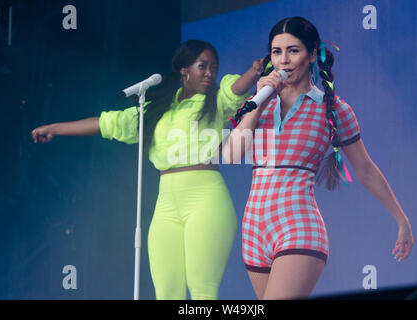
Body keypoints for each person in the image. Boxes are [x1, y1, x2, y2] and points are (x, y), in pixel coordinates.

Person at [31, 39, 263, 300]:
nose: (210, 73)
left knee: (202, 291)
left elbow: (236, 89)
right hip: (166, 206)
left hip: (206, 200)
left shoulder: (217, 101)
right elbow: (106, 122)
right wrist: (54, 128)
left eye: (214, 67)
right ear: (184, 70)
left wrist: (254, 72)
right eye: (203, 66)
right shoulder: (156, 112)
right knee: (166, 293)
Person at [223, 17, 414, 300]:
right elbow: (230, 155)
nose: (284, 60)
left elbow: (365, 170)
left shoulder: (333, 108)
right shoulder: (258, 103)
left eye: (293, 50)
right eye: (277, 52)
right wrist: (259, 100)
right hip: (254, 231)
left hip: (298, 226)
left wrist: (402, 220)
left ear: (312, 54)